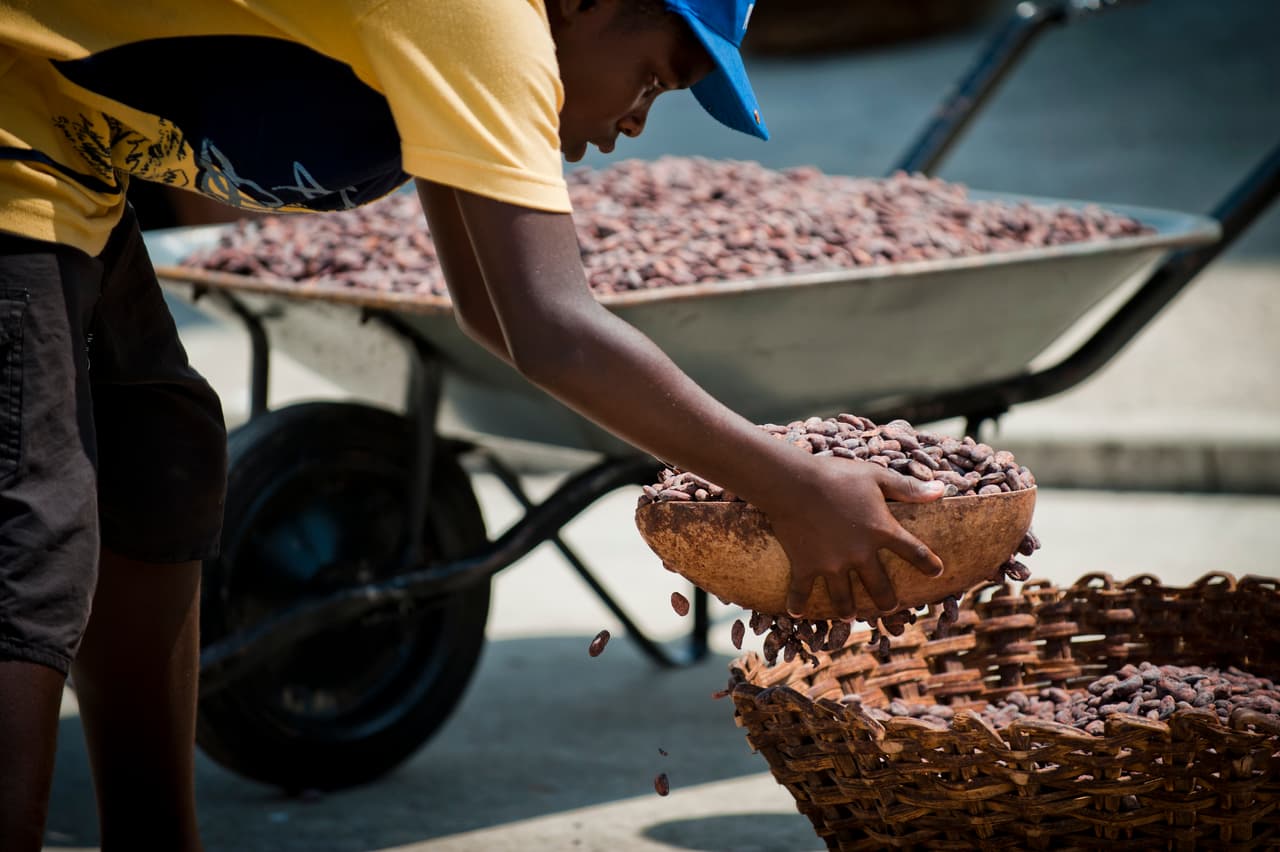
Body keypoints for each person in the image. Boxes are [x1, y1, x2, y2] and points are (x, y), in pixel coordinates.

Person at [0, 0, 945, 848]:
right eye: (653, 77)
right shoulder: (485, 17)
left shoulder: (475, 44)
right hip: (15, 146)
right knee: (31, 542)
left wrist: (772, 476)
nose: (632, 124)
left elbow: (492, 313)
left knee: (164, 464)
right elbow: (553, 326)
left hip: (65, 162)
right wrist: (791, 485)